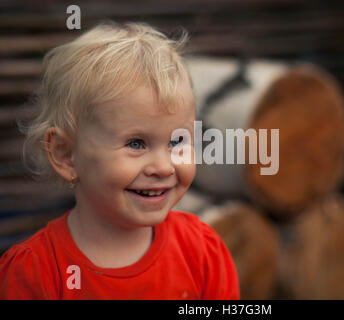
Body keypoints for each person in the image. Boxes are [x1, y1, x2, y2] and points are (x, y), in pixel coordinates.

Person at [0, 22, 239, 300]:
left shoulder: (202, 252)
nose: (163, 167)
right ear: (66, 155)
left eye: (177, 142)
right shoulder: (35, 273)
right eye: (136, 143)